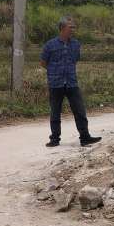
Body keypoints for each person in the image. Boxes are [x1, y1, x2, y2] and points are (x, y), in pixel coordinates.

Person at [40, 15, 102, 148]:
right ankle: (54, 139)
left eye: (74, 27)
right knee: (55, 112)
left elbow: (75, 60)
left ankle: (85, 137)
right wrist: (55, 71)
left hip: (71, 82)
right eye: (71, 27)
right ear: (62, 28)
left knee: (80, 111)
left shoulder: (76, 44)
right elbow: (43, 62)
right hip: (55, 83)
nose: (73, 29)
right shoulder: (50, 45)